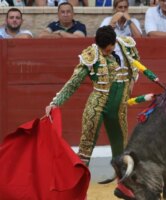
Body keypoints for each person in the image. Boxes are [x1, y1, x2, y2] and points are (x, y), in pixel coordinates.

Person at [45, 25, 140, 166]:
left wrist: (132, 79)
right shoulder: (92, 54)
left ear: (115, 42)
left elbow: (136, 63)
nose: (104, 53)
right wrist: (55, 102)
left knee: (121, 148)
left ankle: (123, 186)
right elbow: (74, 82)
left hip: (119, 107)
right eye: (101, 50)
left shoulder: (127, 45)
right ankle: (78, 182)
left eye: (107, 50)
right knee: (85, 147)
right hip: (96, 105)